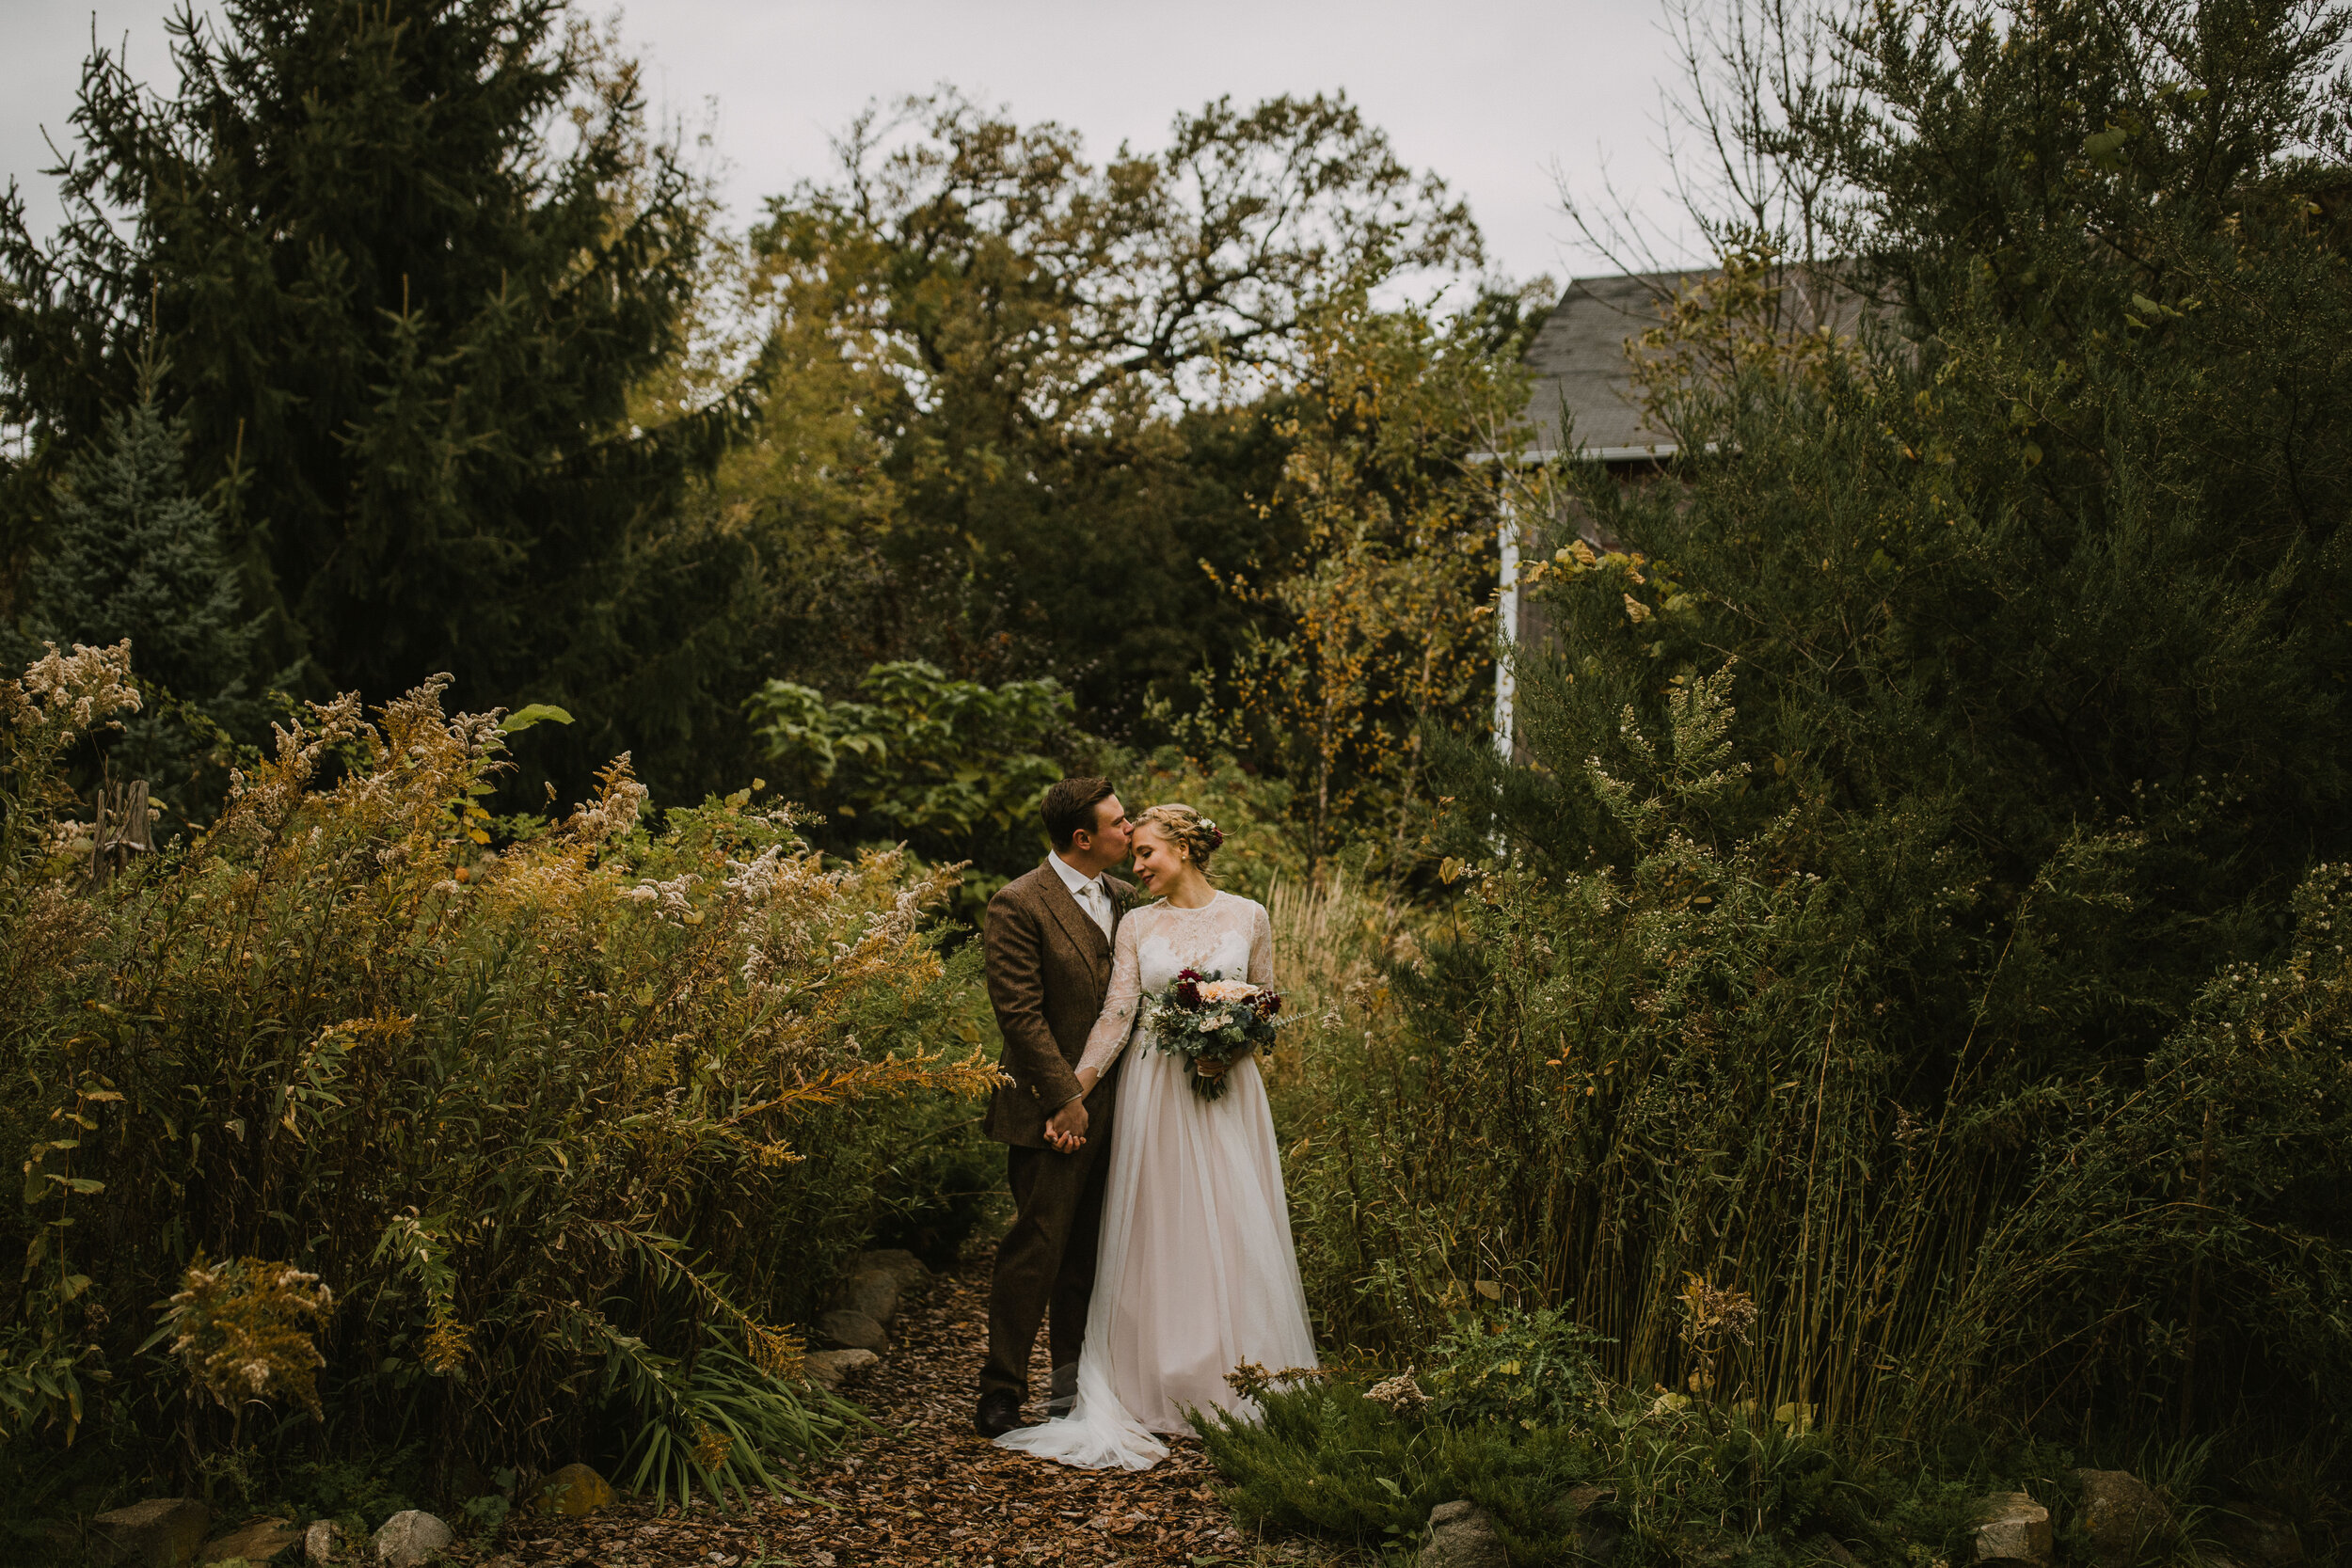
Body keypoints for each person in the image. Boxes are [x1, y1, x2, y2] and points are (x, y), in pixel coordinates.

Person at [993, 802, 1318, 1470]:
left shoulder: (1250, 913)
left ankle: (1235, 1376)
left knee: (1230, 1225)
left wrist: (1228, 1048)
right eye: (1132, 853)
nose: (1136, 867)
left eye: (1147, 853)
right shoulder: (1136, 922)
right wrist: (1071, 1094)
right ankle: (1154, 1379)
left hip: (1226, 1093)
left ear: (1186, 847)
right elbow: (1116, 1014)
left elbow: (1266, 1001)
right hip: (1154, 1091)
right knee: (1156, 1228)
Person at [974, 777, 1135, 1439]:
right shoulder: (1018, 903)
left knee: (1092, 1254)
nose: (1131, 829)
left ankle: (1072, 1389)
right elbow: (1019, 1013)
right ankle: (1001, 1388)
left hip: (1122, 1107)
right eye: (1120, 821)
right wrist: (1065, 1100)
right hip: (1049, 1114)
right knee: (1036, 1247)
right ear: (1082, 837)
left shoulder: (1126, 900)